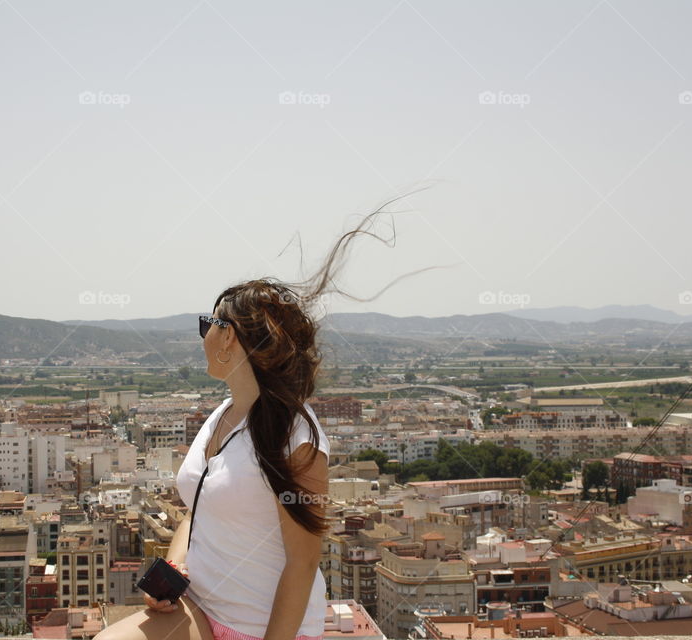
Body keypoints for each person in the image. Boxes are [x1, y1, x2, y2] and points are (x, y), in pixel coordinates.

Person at [95, 194, 445, 640]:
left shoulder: (296, 435)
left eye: (209, 324)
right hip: (200, 606)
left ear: (230, 340)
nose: (201, 335)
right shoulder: (220, 415)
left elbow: (302, 562)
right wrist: (173, 570)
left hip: (262, 626)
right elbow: (197, 510)